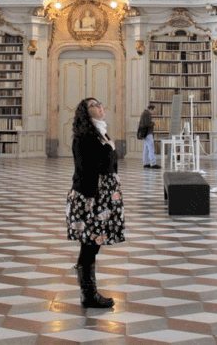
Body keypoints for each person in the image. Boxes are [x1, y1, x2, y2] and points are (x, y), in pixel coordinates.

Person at [66, 97, 124, 308]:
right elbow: (87, 168)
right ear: (85, 112)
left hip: (101, 195)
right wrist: (109, 149)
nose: (100, 106)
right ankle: (88, 294)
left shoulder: (100, 132)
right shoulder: (84, 137)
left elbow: (108, 165)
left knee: (93, 244)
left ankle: (89, 293)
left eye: (101, 103)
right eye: (94, 105)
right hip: (90, 197)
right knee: (89, 244)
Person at [136, 104, 159, 169]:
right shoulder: (147, 114)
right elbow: (148, 124)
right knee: (151, 148)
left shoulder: (144, 113)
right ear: (151, 109)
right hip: (148, 133)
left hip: (145, 134)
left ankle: (145, 163)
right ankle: (153, 163)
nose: (154, 112)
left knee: (146, 148)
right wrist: (154, 123)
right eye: (154, 111)